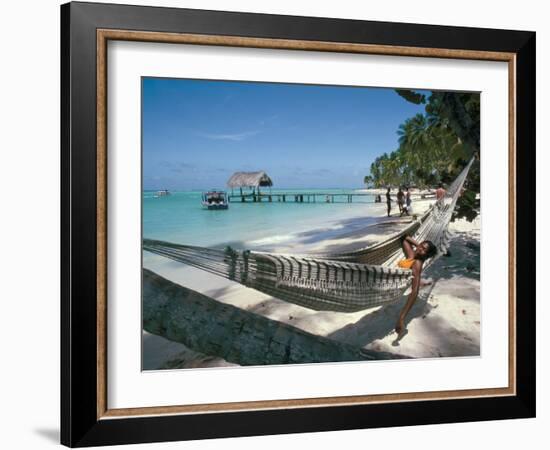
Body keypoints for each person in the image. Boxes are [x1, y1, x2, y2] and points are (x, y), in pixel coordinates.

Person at [395, 235, 438, 337]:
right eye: (421, 246)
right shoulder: (412, 255)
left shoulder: (417, 263)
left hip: (390, 282)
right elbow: (405, 238)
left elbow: (415, 291)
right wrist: (419, 246)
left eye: (424, 249)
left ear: (426, 254)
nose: (420, 249)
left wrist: (401, 317)